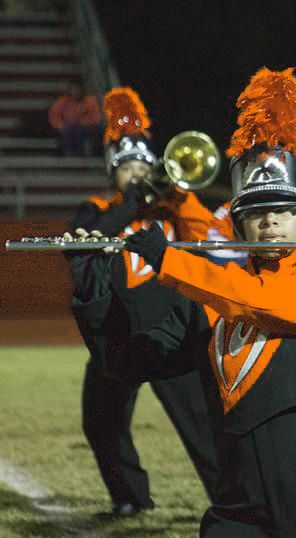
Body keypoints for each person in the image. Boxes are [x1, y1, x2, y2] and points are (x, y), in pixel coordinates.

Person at [121, 67, 296, 537]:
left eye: (284, 211)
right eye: (257, 212)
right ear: (240, 225)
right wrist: (94, 287)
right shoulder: (218, 288)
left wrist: (173, 263)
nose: (270, 223)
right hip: (238, 491)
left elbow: (257, 301)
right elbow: (136, 358)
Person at [67, 87, 223, 517]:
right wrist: (138, 197)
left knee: (200, 425)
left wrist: (176, 192)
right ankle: (130, 498)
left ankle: (230, 501)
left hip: (172, 330)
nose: (136, 174)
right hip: (117, 334)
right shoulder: (97, 208)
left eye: (142, 166)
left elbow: (206, 237)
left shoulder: (173, 210)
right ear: (111, 173)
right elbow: (88, 237)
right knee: (102, 422)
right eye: (126, 167)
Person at [48, 81, 101, 156]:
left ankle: (81, 154)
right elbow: (54, 114)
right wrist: (59, 125)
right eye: (73, 90)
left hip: (85, 128)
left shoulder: (90, 101)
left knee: (78, 131)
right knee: (69, 131)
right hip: (68, 128)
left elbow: (96, 116)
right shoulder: (63, 101)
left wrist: (86, 123)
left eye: (78, 90)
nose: (76, 92)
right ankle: (69, 153)